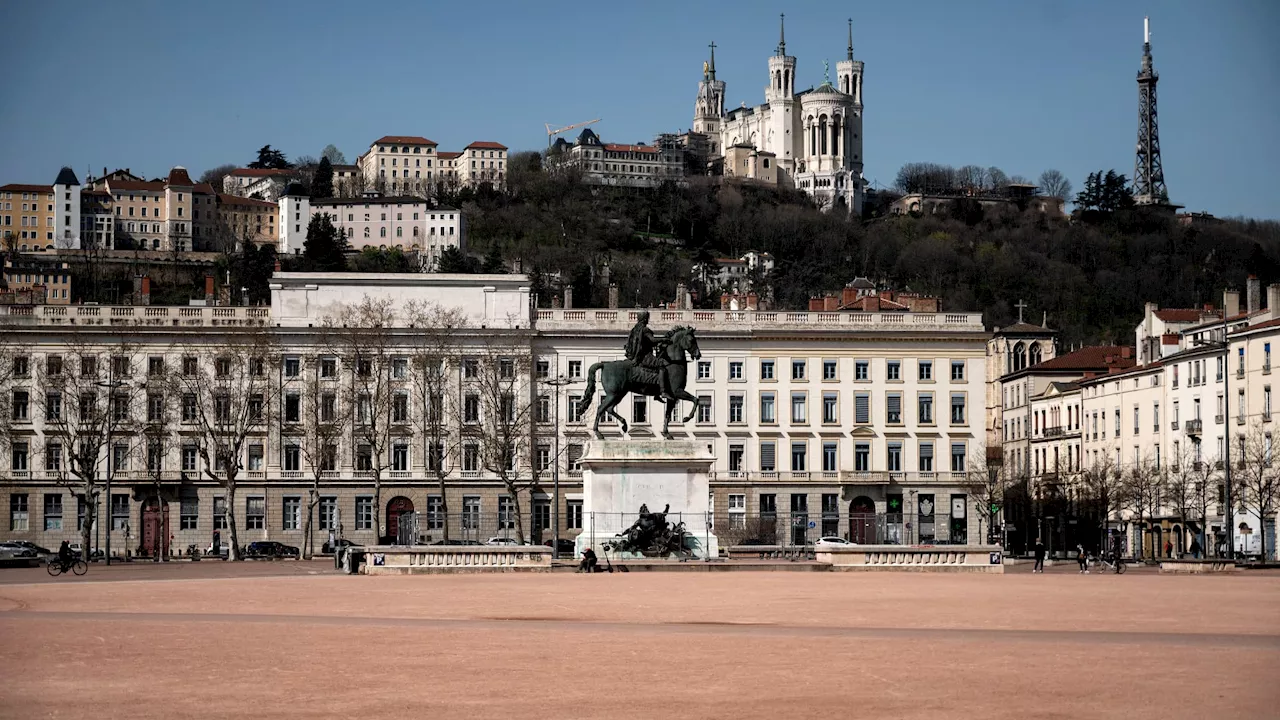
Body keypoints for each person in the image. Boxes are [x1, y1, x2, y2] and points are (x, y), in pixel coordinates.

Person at [624, 311, 673, 402]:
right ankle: (662, 391)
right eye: (647, 318)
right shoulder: (644, 330)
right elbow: (652, 340)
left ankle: (656, 391)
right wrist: (664, 339)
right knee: (663, 365)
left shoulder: (635, 329)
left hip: (636, 355)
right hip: (644, 356)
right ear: (645, 319)